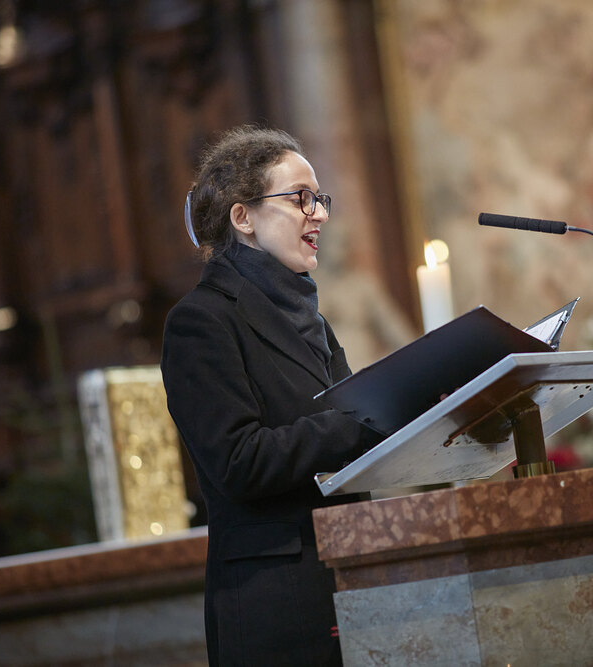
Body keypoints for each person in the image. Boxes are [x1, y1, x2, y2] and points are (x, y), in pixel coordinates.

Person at [160, 126, 382, 666]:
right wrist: (367, 419)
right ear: (244, 218)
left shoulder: (313, 322)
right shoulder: (201, 321)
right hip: (276, 606)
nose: (318, 214)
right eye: (300, 198)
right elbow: (239, 462)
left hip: (351, 579)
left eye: (320, 199)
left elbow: (357, 434)